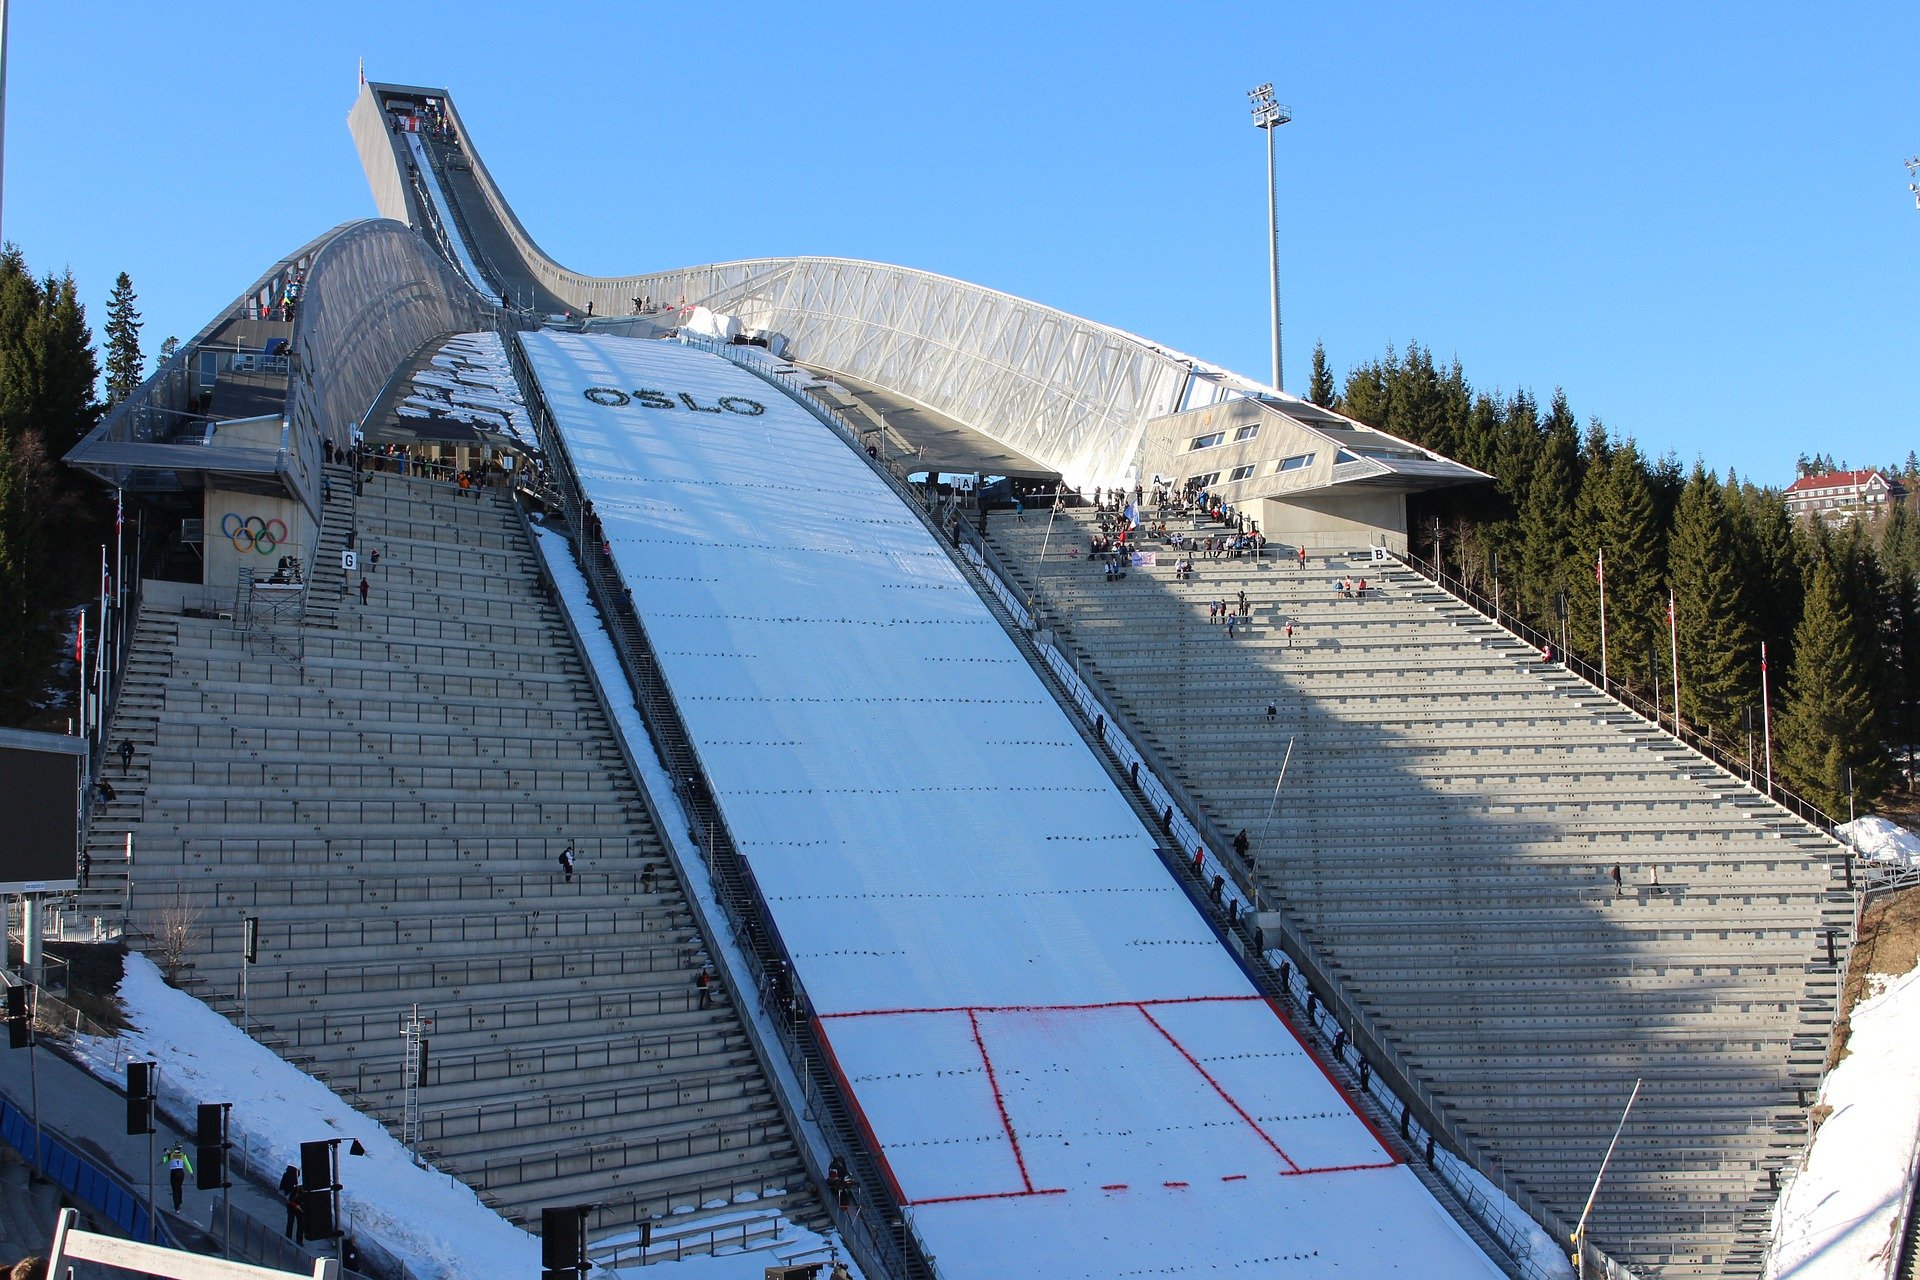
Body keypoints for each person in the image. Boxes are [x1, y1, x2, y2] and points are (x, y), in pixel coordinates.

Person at [162, 1142, 193, 1210]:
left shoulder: (170, 1155)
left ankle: (177, 1207)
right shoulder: (182, 1154)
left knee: (174, 1190)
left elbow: (164, 1161)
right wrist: (191, 1172)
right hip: (181, 1173)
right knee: (179, 1187)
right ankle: (180, 1201)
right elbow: (187, 1164)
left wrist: (165, 1153)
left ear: (175, 1147)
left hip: (174, 1172)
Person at [280, 1165, 305, 1242]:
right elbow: (290, 1199)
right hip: (295, 1205)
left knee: (292, 1221)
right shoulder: (295, 1186)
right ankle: (298, 1240)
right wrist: (298, 1206)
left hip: (296, 1205)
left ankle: (289, 1237)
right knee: (297, 1222)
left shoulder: (291, 1183)